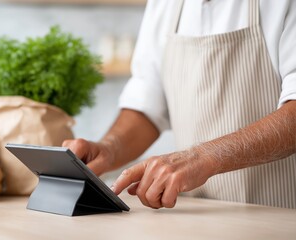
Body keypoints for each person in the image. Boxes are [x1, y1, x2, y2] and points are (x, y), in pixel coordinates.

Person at [63, 0, 296, 209]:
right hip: (195, 216)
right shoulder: (164, 4)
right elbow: (148, 102)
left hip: (277, 217)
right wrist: (110, 148)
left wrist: (204, 156)